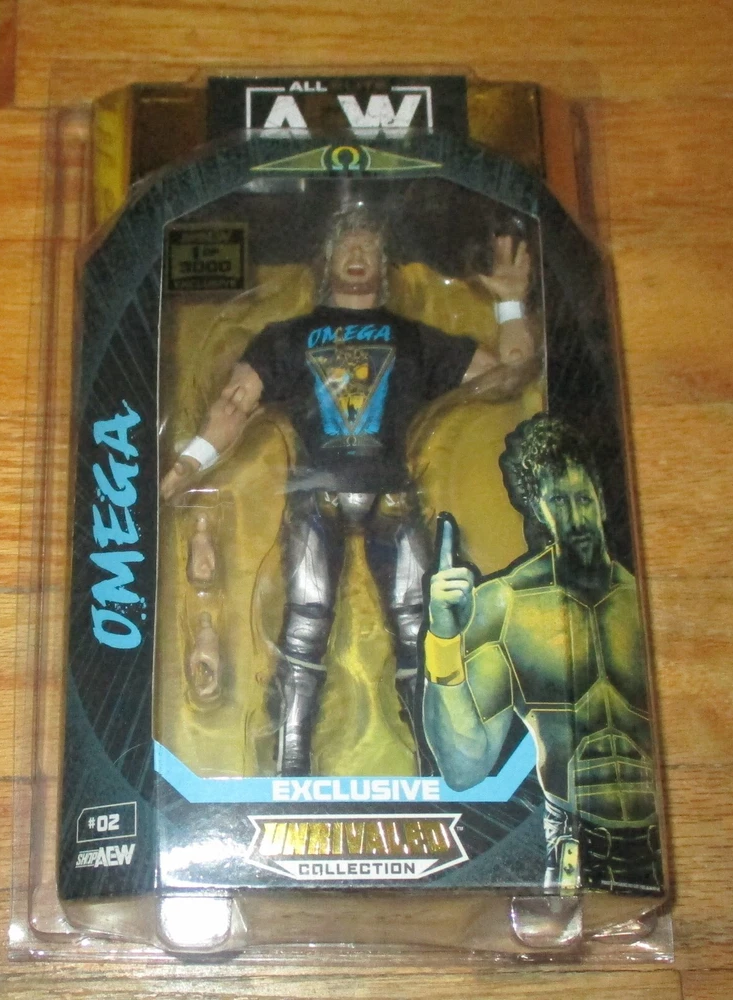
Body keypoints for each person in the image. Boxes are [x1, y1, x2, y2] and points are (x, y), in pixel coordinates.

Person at [161, 203, 533, 776]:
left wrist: (509, 303)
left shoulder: (414, 339)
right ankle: (289, 771)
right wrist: (187, 464)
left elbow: (508, 375)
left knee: (419, 634)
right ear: (326, 260)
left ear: (385, 265)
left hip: (393, 496)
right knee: (302, 634)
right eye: (346, 245)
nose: (357, 254)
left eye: (369, 246)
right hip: (317, 499)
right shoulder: (287, 337)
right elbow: (234, 404)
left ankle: (438, 770)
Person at [423, 414, 662, 892]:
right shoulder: (505, 605)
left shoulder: (647, 601)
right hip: (575, 844)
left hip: (669, 839)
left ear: (602, 500)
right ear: (537, 509)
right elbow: (465, 768)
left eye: (583, 499)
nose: (576, 519)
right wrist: (443, 638)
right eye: (558, 502)